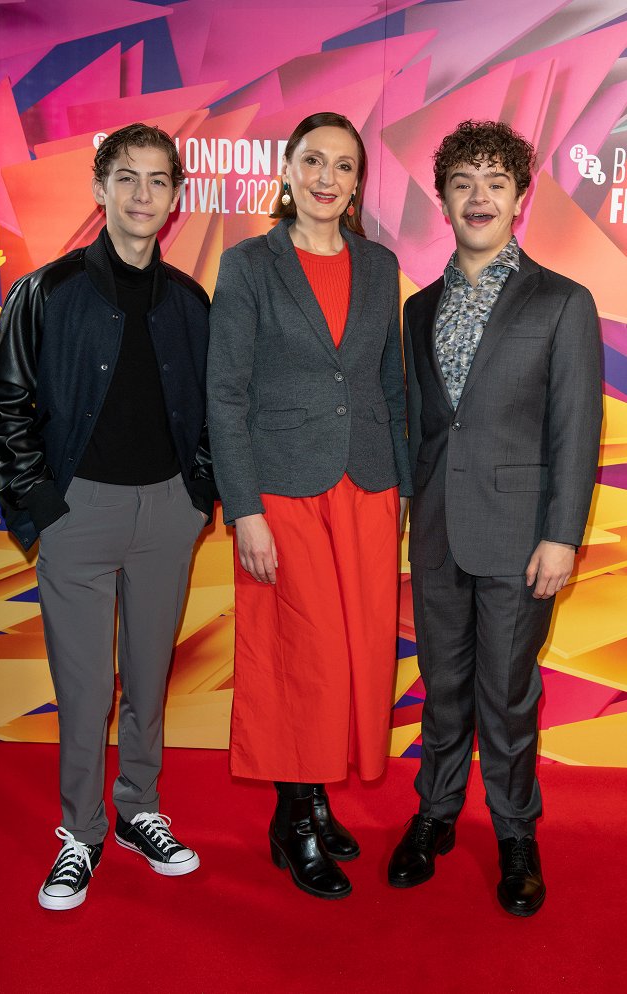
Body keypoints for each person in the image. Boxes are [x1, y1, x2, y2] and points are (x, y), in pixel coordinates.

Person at [0, 123, 216, 910]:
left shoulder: (189, 300)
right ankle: (80, 831)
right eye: (128, 178)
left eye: (158, 181)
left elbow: (215, 409)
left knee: (148, 680)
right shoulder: (45, 291)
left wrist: (198, 494)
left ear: (175, 198)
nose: (143, 195)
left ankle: (139, 810)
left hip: (168, 514)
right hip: (78, 511)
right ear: (99, 188)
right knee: (86, 691)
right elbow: (3, 398)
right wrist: (43, 506)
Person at [388, 120, 603, 916]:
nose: (478, 197)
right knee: (441, 686)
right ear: (442, 199)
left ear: (520, 196)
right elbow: (422, 427)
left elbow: (575, 428)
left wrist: (560, 535)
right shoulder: (417, 310)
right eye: (462, 183)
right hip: (438, 532)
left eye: (494, 182)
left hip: (520, 539)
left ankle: (515, 834)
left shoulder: (562, 302)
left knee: (506, 697)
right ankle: (435, 814)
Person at [207, 112, 411, 899]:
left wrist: (398, 490)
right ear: (287, 171)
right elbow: (223, 394)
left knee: (353, 655)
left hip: (365, 485)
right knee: (302, 655)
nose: (328, 177)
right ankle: (293, 820)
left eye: (344, 166)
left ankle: (314, 797)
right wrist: (244, 508)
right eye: (314, 161)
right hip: (282, 490)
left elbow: (390, 385)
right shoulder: (249, 264)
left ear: (359, 183)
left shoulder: (380, 263)